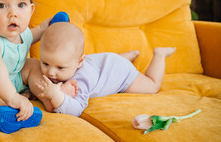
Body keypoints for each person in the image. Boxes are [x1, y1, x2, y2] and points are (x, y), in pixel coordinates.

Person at [32, 22, 176, 117]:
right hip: (107, 62)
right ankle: (129, 56)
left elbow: (76, 110)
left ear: (79, 62)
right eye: (45, 63)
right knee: (109, 64)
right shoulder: (64, 64)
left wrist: (56, 96)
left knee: (152, 85)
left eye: (60, 67)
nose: (50, 72)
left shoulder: (81, 80)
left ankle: (160, 54)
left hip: (121, 72)